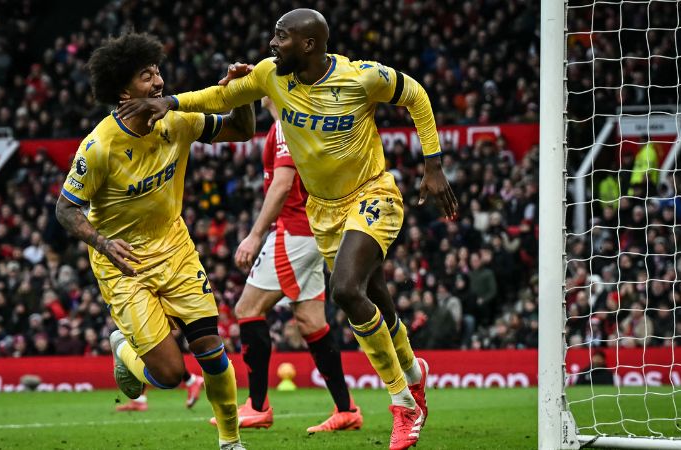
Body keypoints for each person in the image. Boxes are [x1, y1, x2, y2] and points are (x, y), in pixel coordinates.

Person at [117, 9, 457, 450]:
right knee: (373, 296)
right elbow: (221, 99)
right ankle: (414, 373)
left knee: (346, 290)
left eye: (281, 36)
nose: (272, 44)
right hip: (324, 211)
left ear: (309, 44)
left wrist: (434, 166)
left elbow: (417, 95)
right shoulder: (270, 77)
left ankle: (402, 403)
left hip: (373, 195)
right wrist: (173, 102)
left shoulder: (362, 77)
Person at [55, 33, 255, 450]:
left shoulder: (176, 119)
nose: (159, 81)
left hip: (175, 249)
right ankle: (123, 350)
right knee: (170, 375)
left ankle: (231, 442)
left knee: (211, 349)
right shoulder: (98, 147)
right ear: (124, 90)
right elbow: (66, 210)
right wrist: (102, 243)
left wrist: (241, 92)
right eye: (147, 76)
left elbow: (241, 130)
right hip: (124, 264)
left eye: (158, 71)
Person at [212, 97, 362, 432]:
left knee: (247, 308)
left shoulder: (284, 126)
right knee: (311, 321)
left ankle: (257, 405)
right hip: (312, 232)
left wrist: (253, 235)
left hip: (293, 232)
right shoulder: (302, 123)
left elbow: (282, 184)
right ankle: (346, 409)